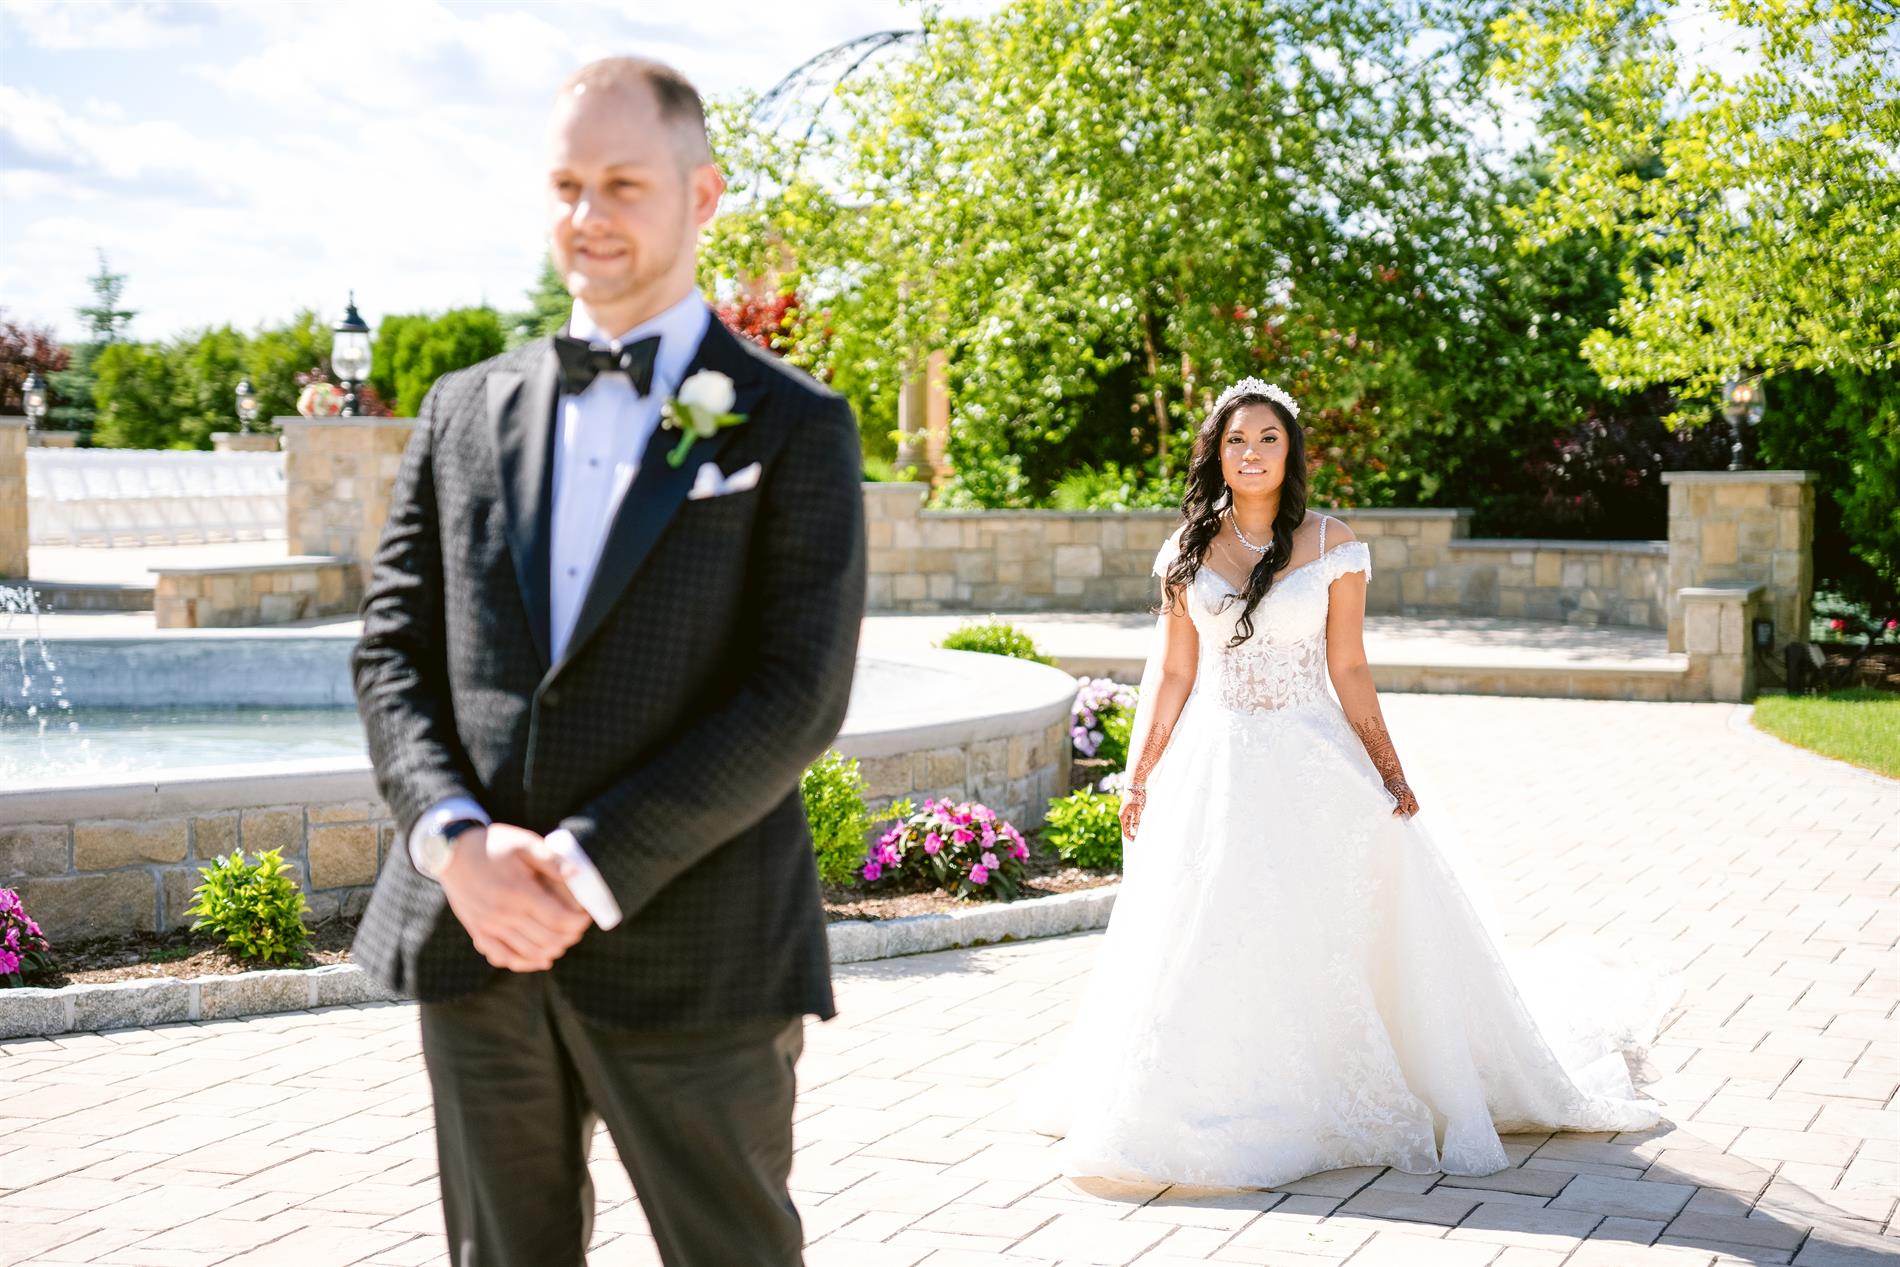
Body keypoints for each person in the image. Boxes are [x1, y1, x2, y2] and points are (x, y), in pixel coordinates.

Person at [349, 56, 865, 1266]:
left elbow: (797, 693)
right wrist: (456, 842)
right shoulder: (461, 408)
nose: (588, 214)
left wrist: (584, 866)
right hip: (475, 941)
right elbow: (392, 652)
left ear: (703, 195)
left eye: (623, 183)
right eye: (566, 184)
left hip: (696, 946)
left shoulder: (793, 423)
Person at [1019, 378, 1675, 1188]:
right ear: (1216, 454)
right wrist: (1139, 773)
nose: (1251, 453)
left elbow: (1350, 667)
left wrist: (1390, 771)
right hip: (1215, 766)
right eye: (1236, 440)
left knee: (1330, 922)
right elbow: (1176, 672)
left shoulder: (1334, 542)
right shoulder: (1187, 548)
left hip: (1312, 759)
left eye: (1267, 438)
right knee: (1207, 920)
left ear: (1289, 452)